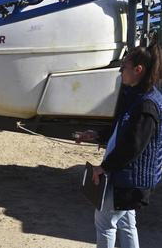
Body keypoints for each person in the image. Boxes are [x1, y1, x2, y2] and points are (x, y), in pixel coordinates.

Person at [76, 42, 162, 248]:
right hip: (130, 178)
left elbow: (132, 146)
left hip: (129, 179)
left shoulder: (146, 104)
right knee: (125, 222)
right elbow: (121, 130)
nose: (120, 70)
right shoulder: (136, 96)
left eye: (124, 66)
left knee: (105, 222)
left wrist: (103, 168)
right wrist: (96, 135)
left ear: (138, 70)